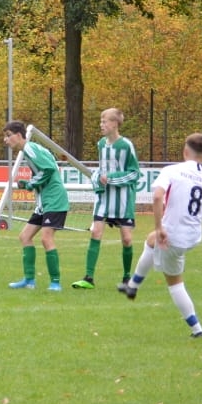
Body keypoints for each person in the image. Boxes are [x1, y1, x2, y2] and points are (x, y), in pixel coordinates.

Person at [125, 132, 202, 338]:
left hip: (174, 236)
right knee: (151, 241)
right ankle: (132, 286)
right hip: (193, 236)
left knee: (175, 283)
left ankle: (197, 329)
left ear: (185, 151)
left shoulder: (172, 171)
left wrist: (160, 227)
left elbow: (157, 196)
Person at [79, 108, 141, 291]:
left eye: (104, 121)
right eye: (101, 121)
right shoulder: (101, 144)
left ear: (114, 124)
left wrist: (111, 178)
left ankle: (127, 277)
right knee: (95, 233)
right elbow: (101, 169)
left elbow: (134, 173)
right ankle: (88, 277)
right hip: (104, 199)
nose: (101, 124)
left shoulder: (126, 145)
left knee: (127, 240)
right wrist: (97, 177)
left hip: (123, 201)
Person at [4, 120, 68, 291]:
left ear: (19, 135)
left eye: (8, 136)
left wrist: (30, 184)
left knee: (46, 239)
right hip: (44, 203)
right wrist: (30, 183)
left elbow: (48, 169)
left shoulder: (30, 148)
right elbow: (49, 167)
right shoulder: (30, 150)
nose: (6, 140)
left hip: (54, 201)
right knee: (25, 237)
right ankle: (29, 280)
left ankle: (55, 282)